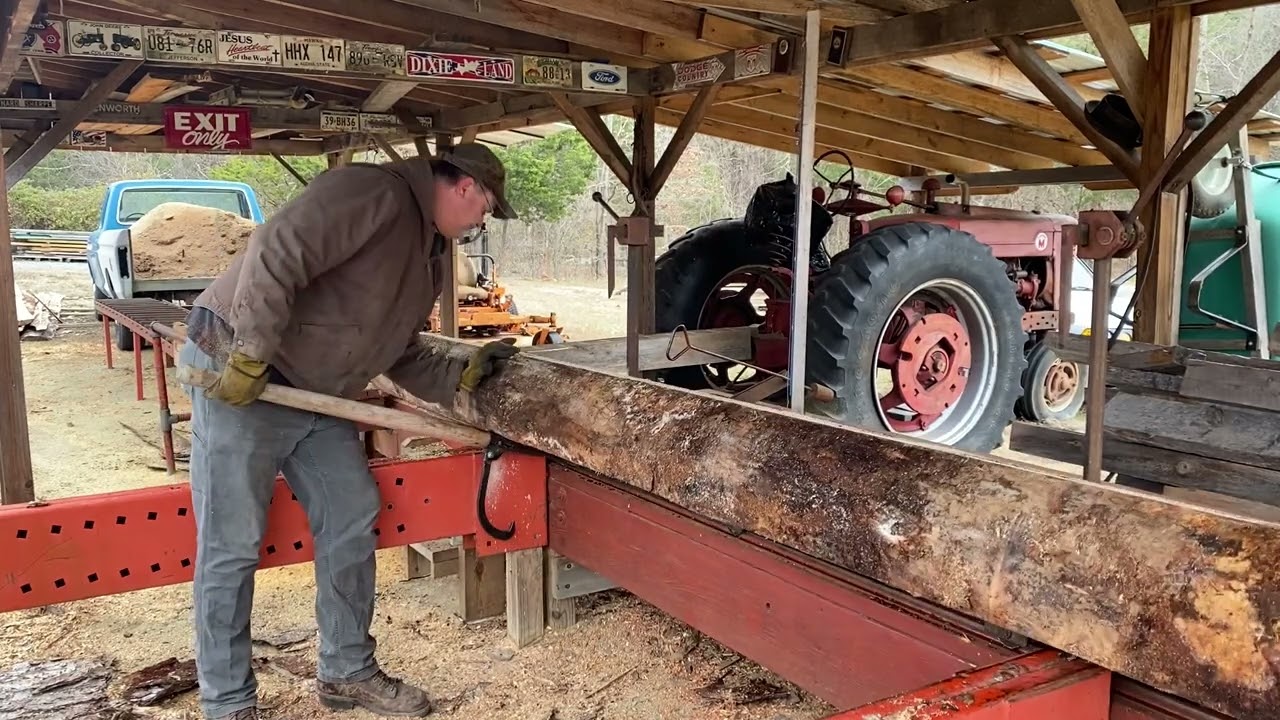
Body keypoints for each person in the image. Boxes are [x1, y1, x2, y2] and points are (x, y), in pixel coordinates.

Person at [177, 143, 520, 720]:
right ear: (463, 186)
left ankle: (345, 670)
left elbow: (396, 349)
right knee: (231, 545)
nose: (482, 220)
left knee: (350, 517)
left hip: (317, 392)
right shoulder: (370, 192)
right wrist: (250, 354)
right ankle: (228, 702)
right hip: (242, 372)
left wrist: (457, 373)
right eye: (485, 207)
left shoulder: (429, 254)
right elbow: (275, 251)